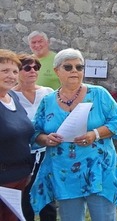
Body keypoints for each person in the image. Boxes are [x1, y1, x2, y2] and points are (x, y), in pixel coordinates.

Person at [30, 48, 117, 221]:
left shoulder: (98, 94)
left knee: (103, 217)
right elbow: (36, 132)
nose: (75, 71)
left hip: (98, 169)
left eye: (79, 67)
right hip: (64, 171)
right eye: (68, 67)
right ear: (56, 71)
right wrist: (47, 139)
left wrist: (95, 134)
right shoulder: (48, 101)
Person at [12, 54, 57, 221]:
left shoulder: (48, 93)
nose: (33, 71)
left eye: (36, 67)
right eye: (27, 68)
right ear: (17, 71)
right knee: (24, 198)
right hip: (21, 155)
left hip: (46, 152)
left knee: (47, 196)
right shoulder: (9, 96)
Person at [0, 49, 35, 221]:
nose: (11, 76)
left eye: (14, 71)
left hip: (20, 179)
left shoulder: (13, 96)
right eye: (4, 71)